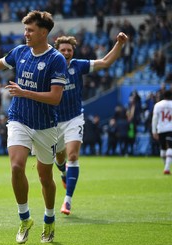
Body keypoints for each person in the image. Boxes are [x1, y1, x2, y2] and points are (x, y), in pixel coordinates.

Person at [0, 10, 67, 244]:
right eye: (25, 29)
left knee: (45, 177)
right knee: (17, 166)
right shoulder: (20, 52)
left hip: (45, 125)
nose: (26, 34)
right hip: (19, 118)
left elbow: (55, 98)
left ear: (43, 32)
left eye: (30, 30)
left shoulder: (56, 59)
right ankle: (24, 217)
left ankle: (49, 219)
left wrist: (24, 92)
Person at [53, 32, 128, 215]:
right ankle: (63, 173)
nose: (66, 52)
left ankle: (67, 201)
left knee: (72, 157)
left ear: (73, 51)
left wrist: (119, 44)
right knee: (60, 159)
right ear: (57, 51)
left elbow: (105, 62)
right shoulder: (49, 66)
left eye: (69, 50)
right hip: (53, 120)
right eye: (62, 49)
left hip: (74, 118)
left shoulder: (79, 65)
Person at [152, 90, 172, 174]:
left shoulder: (158, 105)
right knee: (169, 147)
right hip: (170, 128)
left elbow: (155, 118)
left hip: (161, 129)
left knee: (163, 148)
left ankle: (166, 167)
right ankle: (166, 167)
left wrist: (154, 131)